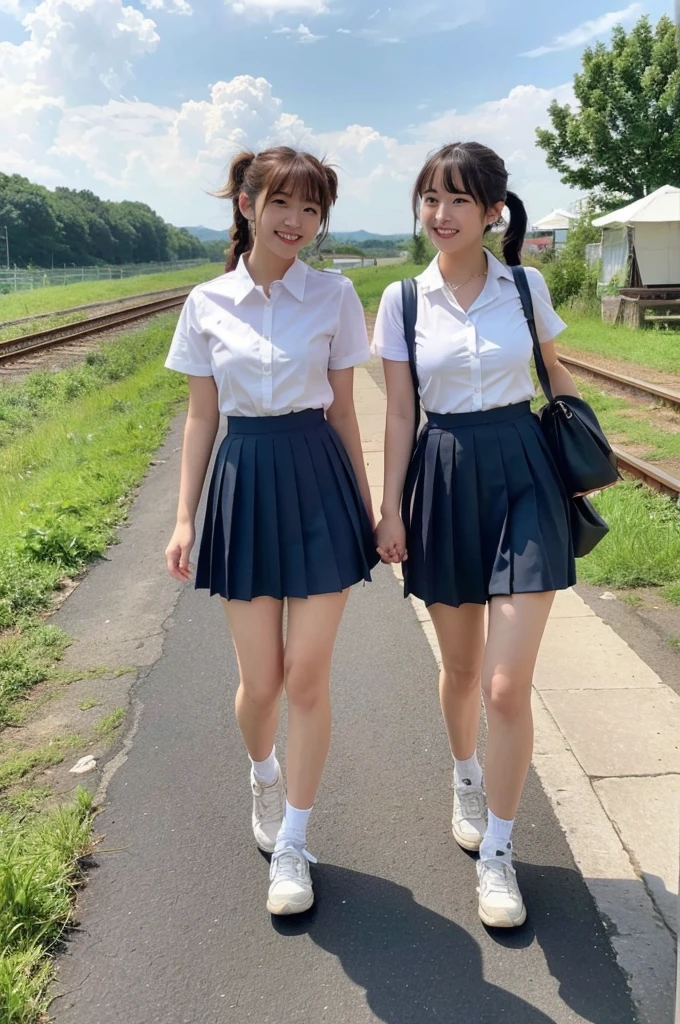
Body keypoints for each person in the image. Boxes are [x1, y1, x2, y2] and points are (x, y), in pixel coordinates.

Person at [164, 146, 377, 916]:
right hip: (245, 480)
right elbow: (200, 415)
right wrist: (185, 515)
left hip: (318, 477)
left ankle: (293, 840)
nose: (298, 222)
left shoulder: (337, 296)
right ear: (248, 205)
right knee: (261, 685)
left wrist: (369, 507)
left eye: (313, 209)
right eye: (283, 203)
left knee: (308, 676)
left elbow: (347, 410)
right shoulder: (206, 301)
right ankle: (263, 772)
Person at [372, 141, 579, 928]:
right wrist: (390, 508)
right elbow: (398, 411)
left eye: (460, 200)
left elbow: (554, 372)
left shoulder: (525, 285)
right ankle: (464, 775)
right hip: (447, 475)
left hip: (526, 475)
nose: (442, 214)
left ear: (494, 211)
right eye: (431, 198)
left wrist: (583, 450)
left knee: (504, 685)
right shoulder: (404, 299)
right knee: (460, 671)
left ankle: (499, 851)